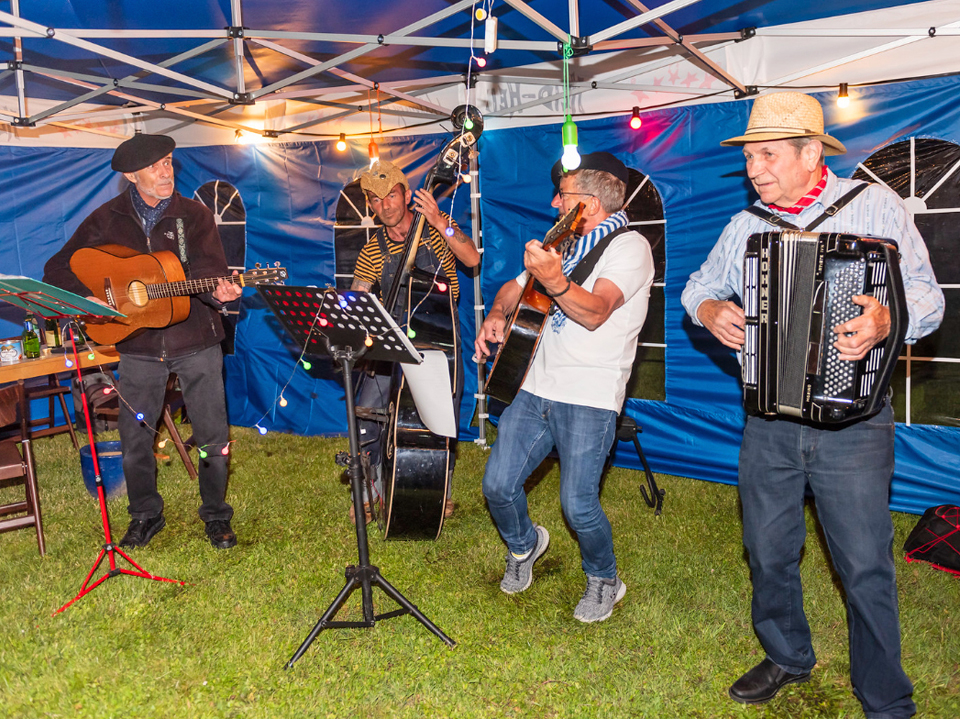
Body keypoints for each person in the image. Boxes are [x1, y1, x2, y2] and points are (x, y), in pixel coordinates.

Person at [682, 92, 943, 717]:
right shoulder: (747, 228)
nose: (755, 168)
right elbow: (696, 287)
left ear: (809, 153)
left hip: (853, 427)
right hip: (767, 422)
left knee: (863, 566)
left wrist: (887, 320)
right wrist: (711, 309)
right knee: (768, 550)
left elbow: (929, 303)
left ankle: (885, 698)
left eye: (768, 155)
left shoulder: (874, 204)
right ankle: (787, 655)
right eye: (750, 157)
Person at [475, 152, 654, 623]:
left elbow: (596, 311)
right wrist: (496, 315)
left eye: (564, 195)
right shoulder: (563, 243)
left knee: (578, 505)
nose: (555, 203)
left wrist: (554, 282)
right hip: (536, 386)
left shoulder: (629, 247)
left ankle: (604, 579)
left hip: (591, 396)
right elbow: (513, 290)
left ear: (590, 204)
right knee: (496, 485)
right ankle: (525, 545)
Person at [44, 133, 243, 550]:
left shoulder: (195, 215)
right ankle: (145, 515)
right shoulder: (106, 217)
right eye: (156, 166)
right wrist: (89, 299)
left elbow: (210, 271)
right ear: (132, 175)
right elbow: (58, 267)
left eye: (169, 162)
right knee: (136, 437)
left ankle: (215, 515)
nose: (166, 172)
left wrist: (218, 292)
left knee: (212, 435)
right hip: (136, 344)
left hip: (197, 341)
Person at [350, 160, 480, 521]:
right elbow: (359, 296)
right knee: (366, 411)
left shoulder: (437, 230)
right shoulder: (371, 250)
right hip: (393, 338)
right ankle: (368, 490)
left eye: (391, 196)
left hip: (438, 338)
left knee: (440, 418)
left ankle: (440, 489)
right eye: (375, 201)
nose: (384, 206)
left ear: (407, 195)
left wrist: (440, 221)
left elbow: (471, 259)